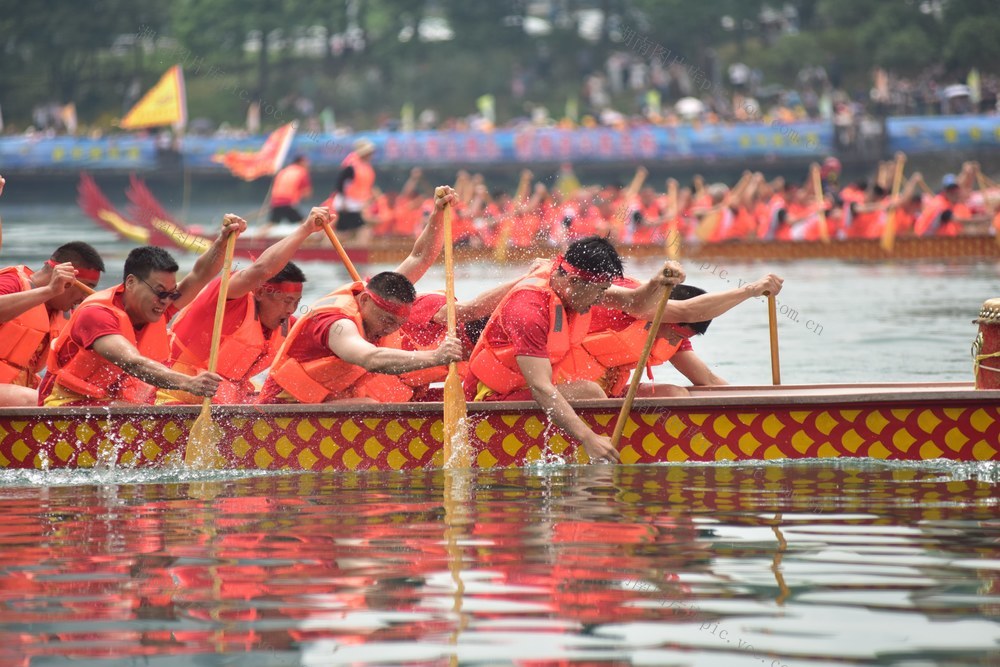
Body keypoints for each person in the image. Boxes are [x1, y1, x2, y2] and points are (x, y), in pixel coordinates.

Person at [464, 236, 683, 463]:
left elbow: (636, 302)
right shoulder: (528, 311)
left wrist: (658, 282)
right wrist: (588, 438)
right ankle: (596, 445)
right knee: (589, 391)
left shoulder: (573, 285)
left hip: (524, 389)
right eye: (599, 292)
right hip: (490, 402)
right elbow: (540, 386)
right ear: (576, 281)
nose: (601, 299)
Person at [258, 187, 462, 404]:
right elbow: (369, 357)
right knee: (370, 405)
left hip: (326, 400)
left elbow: (419, 257)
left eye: (397, 323)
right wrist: (435, 357)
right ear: (364, 300)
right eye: (386, 319)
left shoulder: (381, 293)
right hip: (285, 406)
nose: (389, 328)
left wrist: (437, 214)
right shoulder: (336, 324)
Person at [39, 215, 246, 407]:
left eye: (171, 293)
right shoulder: (97, 314)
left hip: (110, 409)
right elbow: (132, 363)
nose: (166, 301)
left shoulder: (158, 307)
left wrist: (223, 240)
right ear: (131, 282)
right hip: (62, 407)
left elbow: (199, 274)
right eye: (159, 292)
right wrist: (189, 383)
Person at [163, 207, 334, 404]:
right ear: (260, 292)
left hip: (228, 397)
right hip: (172, 391)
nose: (291, 310)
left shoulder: (287, 326)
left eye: (296, 302)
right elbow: (261, 270)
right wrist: (305, 229)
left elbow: (327, 339)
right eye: (286, 301)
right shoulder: (227, 299)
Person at [578, 276, 784, 398]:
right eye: (675, 335)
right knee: (592, 393)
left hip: (607, 392)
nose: (674, 342)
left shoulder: (672, 332)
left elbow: (707, 379)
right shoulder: (635, 302)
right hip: (565, 386)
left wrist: (752, 405)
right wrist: (750, 290)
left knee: (674, 393)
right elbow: (689, 311)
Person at [0, 242, 105, 406]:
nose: (85, 298)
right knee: (37, 400)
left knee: (87, 400)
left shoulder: (65, 315)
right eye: (85, 288)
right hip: (20, 396)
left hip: (16, 391)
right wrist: (50, 291)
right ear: (62, 276)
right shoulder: (11, 283)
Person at [330, 138, 376, 244]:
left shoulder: (365, 167)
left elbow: (364, 186)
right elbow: (341, 184)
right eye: (370, 153)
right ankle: (327, 250)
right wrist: (344, 202)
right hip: (347, 205)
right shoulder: (351, 167)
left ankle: (332, 249)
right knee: (361, 229)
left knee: (346, 231)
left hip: (355, 205)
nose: (371, 155)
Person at [268, 155, 312, 223]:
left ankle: (259, 233)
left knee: (272, 223)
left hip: (276, 201)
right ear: (300, 162)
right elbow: (307, 193)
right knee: (305, 223)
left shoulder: (284, 171)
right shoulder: (301, 172)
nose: (308, 164)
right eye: (306, 162)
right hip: (288, 202)